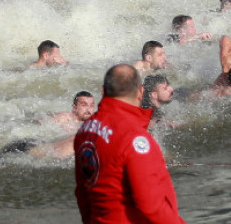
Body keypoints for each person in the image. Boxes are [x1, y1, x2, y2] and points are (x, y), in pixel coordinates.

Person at [74, 63, 185, 224]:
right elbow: (151, 206)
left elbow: (82, 192)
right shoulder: (135, 139)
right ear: (141, 92)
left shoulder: (86, 129)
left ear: (103, 91)